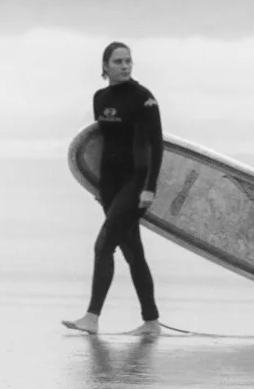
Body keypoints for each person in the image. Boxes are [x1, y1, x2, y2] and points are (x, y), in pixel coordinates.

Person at [62, 41, 164, 336]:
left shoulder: (144, 99)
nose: (124, 66)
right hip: (109, 185)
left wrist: (150, 188)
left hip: (136, 183)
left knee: (103, 245)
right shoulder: (100, 98)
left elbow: (156, 145)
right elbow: (98, 146)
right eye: (118, 61)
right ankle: (151, 322)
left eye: (128, 61)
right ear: (105, 66)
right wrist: (96, 187)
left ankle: (92, 318)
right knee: (133, 253)